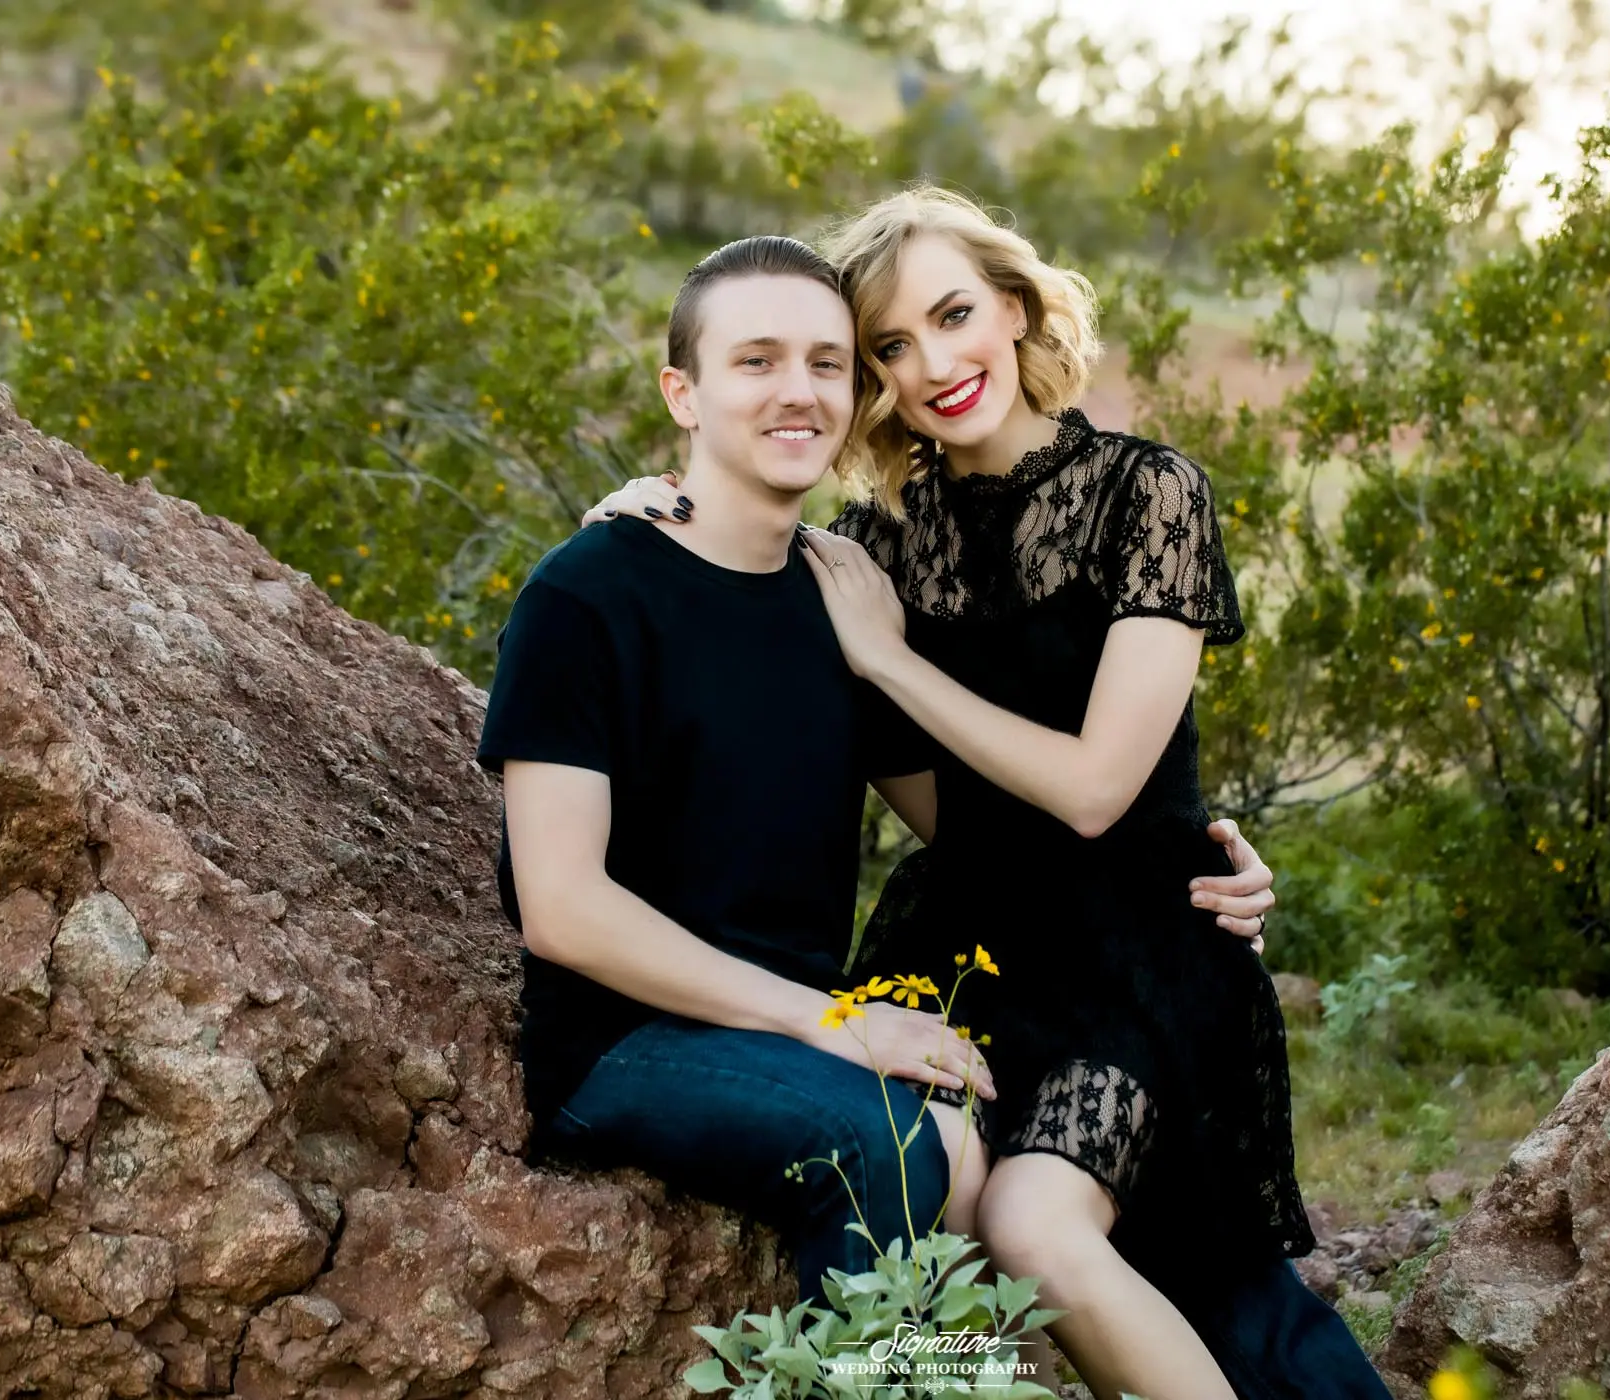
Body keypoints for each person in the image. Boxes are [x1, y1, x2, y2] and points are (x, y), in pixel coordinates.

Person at [586, 191, 1388, 1400]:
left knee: (1041, 1229)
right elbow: (944, 811)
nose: (934, 365)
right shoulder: (874, 548)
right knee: (930, 1221)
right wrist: (635, 514)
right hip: (966, 947)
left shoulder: (1148, 495)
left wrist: (891, 656)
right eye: (892, 348)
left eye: (955, 315)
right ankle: (962, 1382)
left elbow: (1093, 792)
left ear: (1014, 307)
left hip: (1142, 953)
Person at [477, 234, 1280, 1316]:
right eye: (755, 360)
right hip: (628, 1039)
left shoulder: (845, 597)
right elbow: (563, 909)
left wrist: (1190, 861)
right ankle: (888, 1380)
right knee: (907, 1149)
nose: (797, 389)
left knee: (966, 1153)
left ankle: (925, 1378)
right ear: (684, 390)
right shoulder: (587, 594)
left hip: (805, 1022)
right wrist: (831, 1020)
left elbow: (988, 818)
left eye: (827, 362)